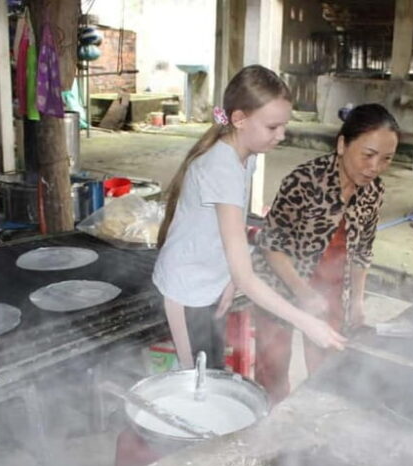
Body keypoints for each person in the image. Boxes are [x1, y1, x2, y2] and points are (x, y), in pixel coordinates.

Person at [153, 65, 345, 371]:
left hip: (211, 279)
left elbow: (234, 227)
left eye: (284, 125)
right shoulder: (221, 167)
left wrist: (229, 279)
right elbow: (247, 277)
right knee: (195, 380)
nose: (281, 135)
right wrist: (306, 322)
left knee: (212, 370)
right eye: (272, 127)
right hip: (187, 288)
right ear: (239, 119)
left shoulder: (247, 156)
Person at [251, 103, 400, 402]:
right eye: (368, 155)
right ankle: (270, 425)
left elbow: (362, 251)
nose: (375, 167)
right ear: (343, 145)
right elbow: (271, 246)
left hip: (329, 288)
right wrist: (303, 293)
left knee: (327, 369)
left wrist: (357, 300)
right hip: (281, 286)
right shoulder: (304, 181)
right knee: (273, 368)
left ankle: (314, 423)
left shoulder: (374, 191)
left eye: (386, 159)